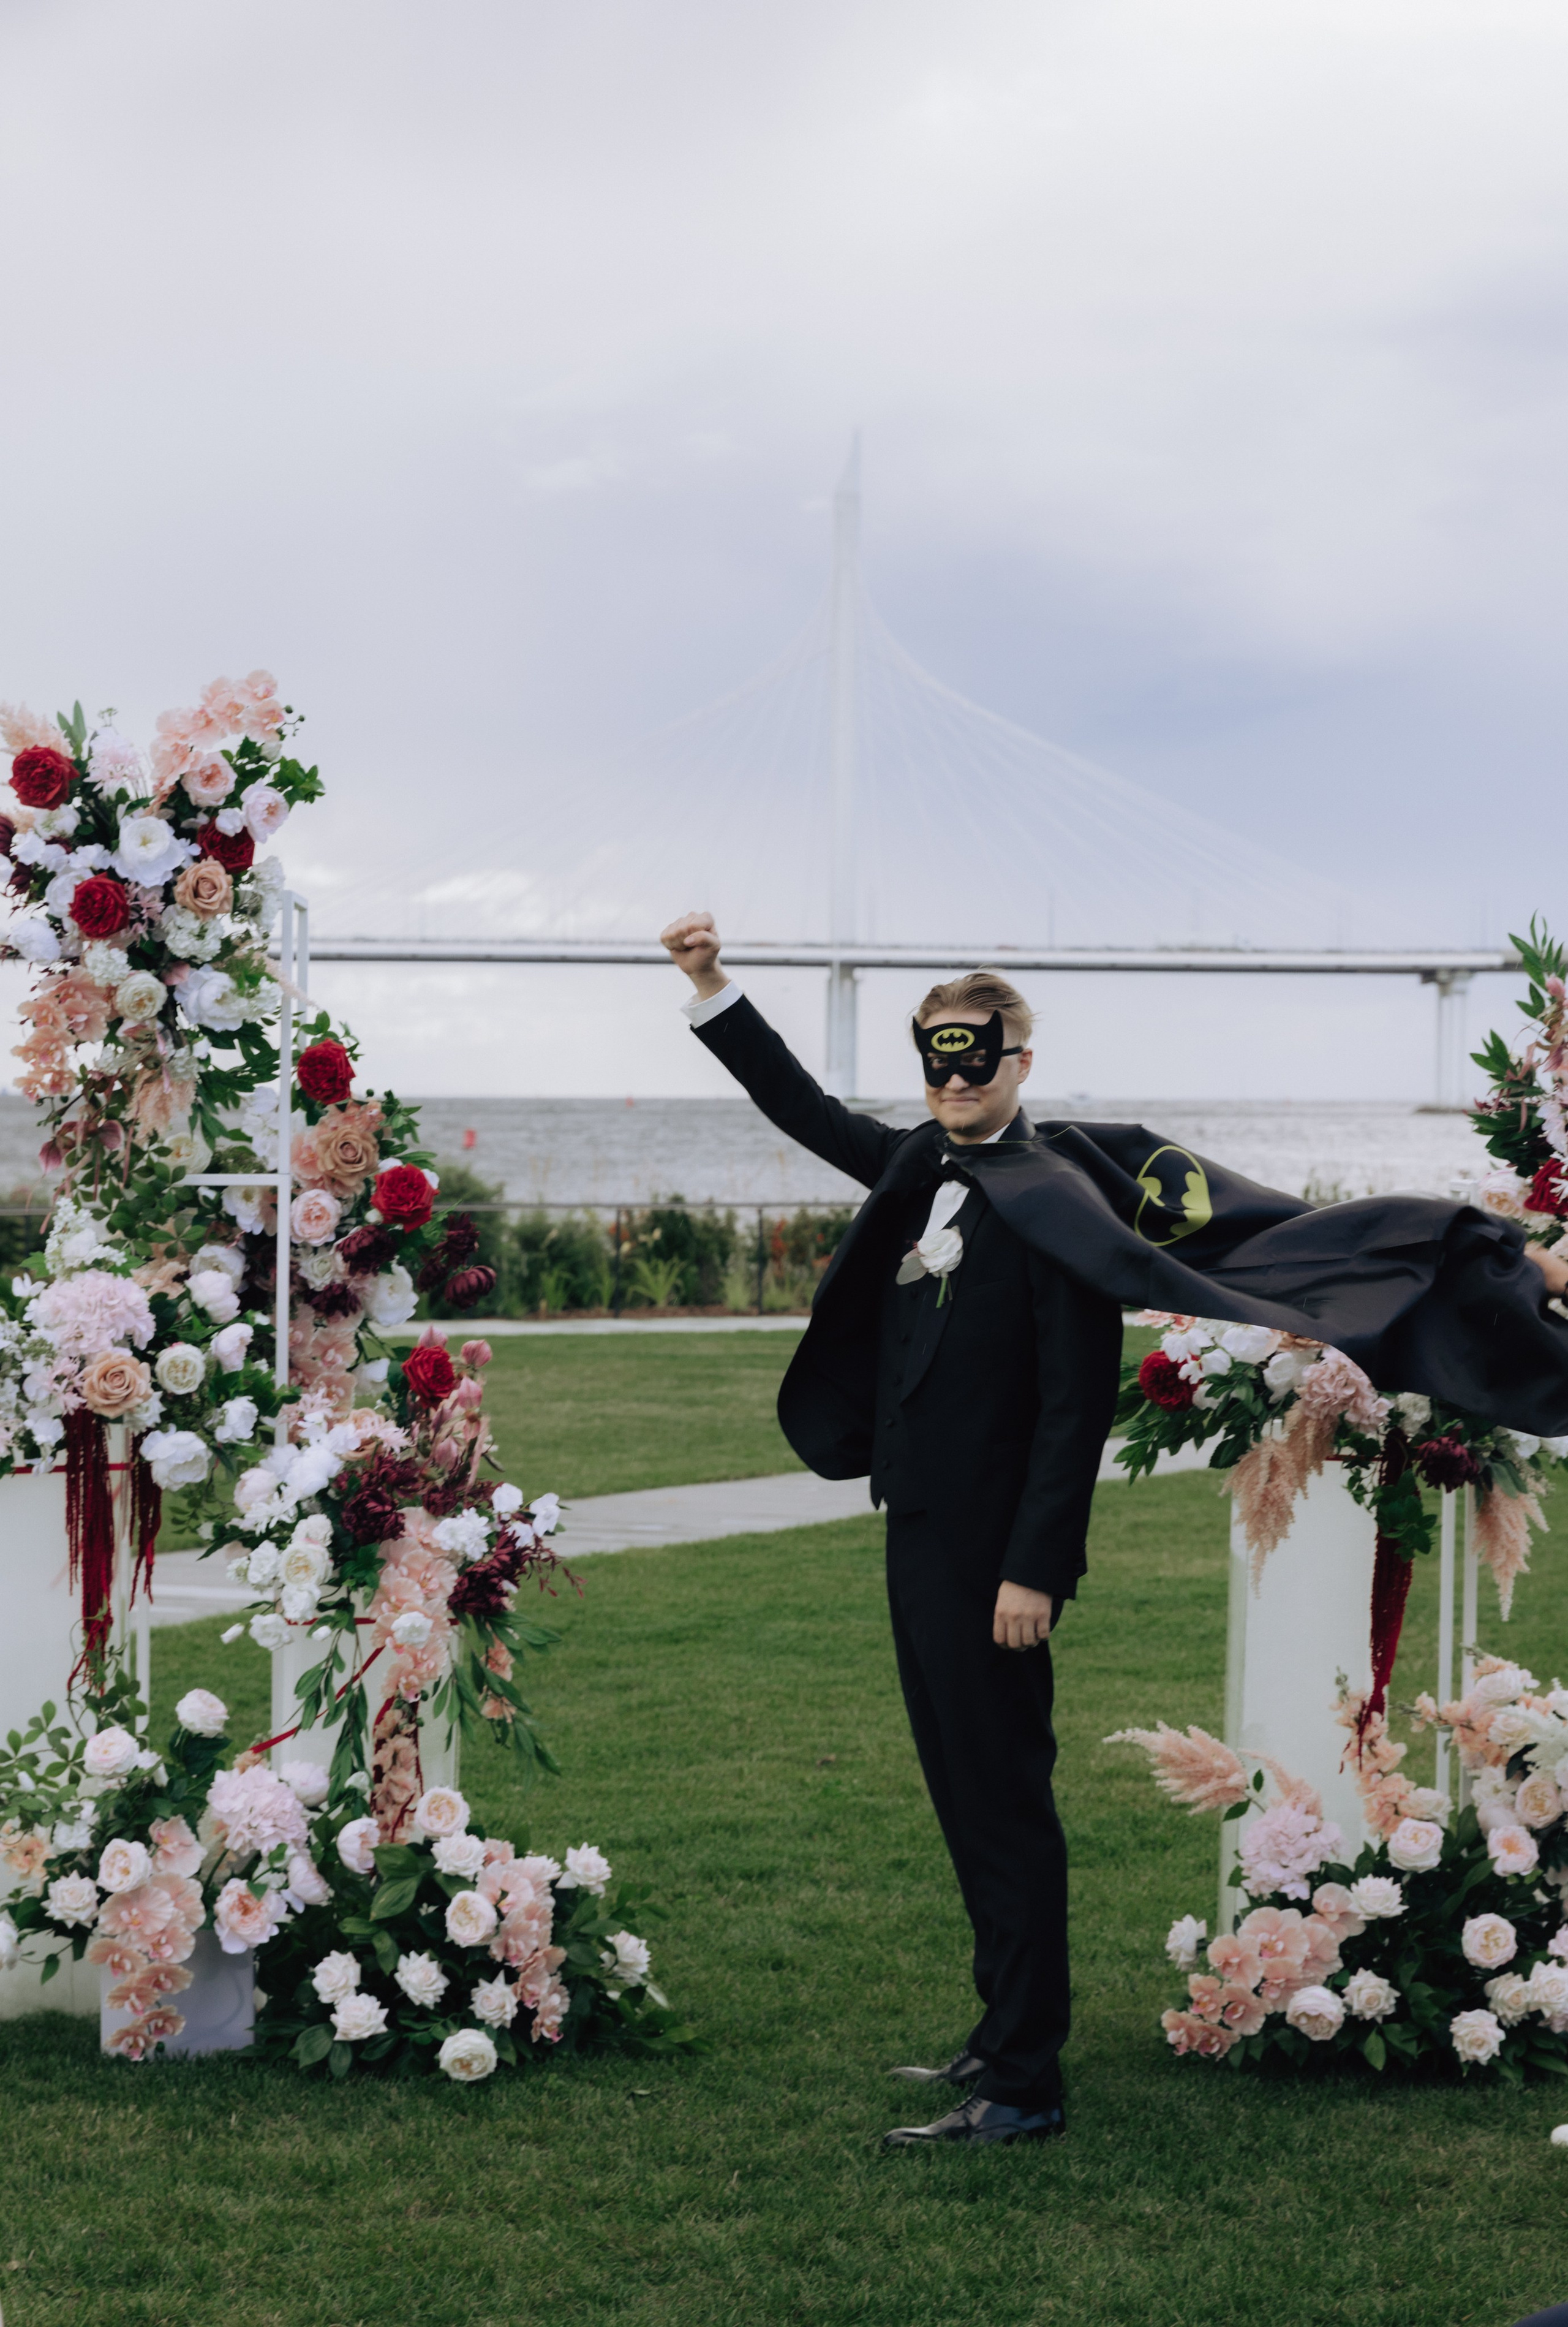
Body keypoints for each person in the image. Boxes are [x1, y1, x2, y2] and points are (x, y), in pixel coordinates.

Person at [658, 909, 1568, 2151]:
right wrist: (712, 988)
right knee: (958, 1791)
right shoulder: (918, 1165)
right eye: (933, 1059)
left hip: (992, 1559)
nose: (952, 1081)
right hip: (916, 1527)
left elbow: (1074, 1407)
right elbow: (799, 1105)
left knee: (1002, 1802)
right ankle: (997, 2033)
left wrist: (1035, 1567)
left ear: (1020, 1065)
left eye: (974, 1060)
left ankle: (1024, 2086)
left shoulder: (1056, 1203)